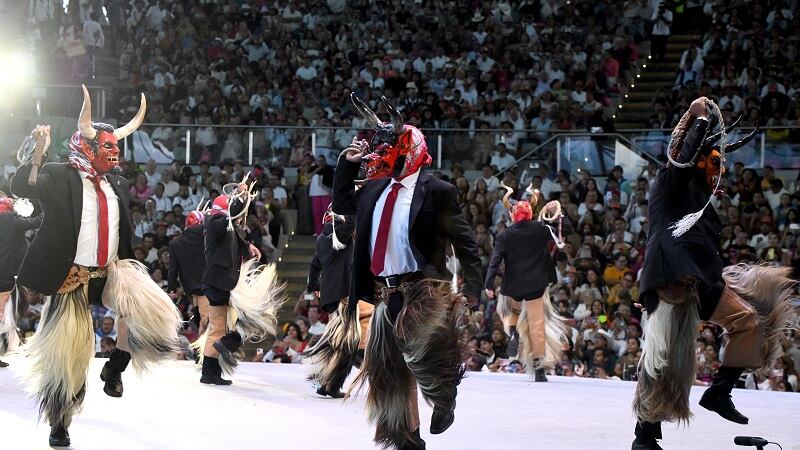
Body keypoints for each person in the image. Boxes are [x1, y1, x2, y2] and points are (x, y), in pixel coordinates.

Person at [11, 87, 182, 447]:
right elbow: (21, 187)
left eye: (115, 146)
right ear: (86, 148)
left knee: (151, 314)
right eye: (107, 146)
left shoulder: (116, 182)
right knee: (68, 355)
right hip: (70, 274)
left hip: (111, 270)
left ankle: (115, 366)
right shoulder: (60, 176)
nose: (115, 151)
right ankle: (61, 419)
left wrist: (126, 269)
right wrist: (39, 151)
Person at [631, 97, 796, 450]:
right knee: (662, 358)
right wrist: (700, 118)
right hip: (670, 279)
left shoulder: (698, 196)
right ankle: (644, 434)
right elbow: (682, 157)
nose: (716, 168)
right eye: (711, 160)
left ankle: (719, 392)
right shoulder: (671, 181)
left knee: (749, 319)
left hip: (701, 281)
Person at [333, 94, 482, 450]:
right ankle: (408, 439)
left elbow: (465, 241)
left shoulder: (438, 192)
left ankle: (445, 396)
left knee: (425, 361)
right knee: (390, 373)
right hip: (386, 292)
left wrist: (475, 287)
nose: (380, 155)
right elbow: (341, 205)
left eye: (390, 149)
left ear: (410, 152)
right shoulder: (374, 190)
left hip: (424, 290)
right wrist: (345, 166)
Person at [198, 175, 284, 385]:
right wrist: (242, 195)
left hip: (219, 282)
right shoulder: (215, 221)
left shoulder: (221, 224)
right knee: (246, 319)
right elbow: (231, 216)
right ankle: (228, 343)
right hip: (219, 282)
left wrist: (248, 246)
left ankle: (209, 373)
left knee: (217, 328)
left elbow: (235, 235)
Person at [485, 184, 570, 382]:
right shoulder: (540, 229)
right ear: (530, 213)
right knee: (536, 324)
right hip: (536, 284)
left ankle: (513, 333)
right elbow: (565, 229)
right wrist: (556, 212)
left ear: (513, 215)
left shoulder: (504, 234)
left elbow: (495, 261)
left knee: (509, 312)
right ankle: (539, 369)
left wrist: (488, 284)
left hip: (513, 284)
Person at [305, 207, 374, 398]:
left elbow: (314, 265)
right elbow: (351, 222)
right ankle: (331, 382)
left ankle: (329, 384)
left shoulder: (322, 238)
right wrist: (352, 200)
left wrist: (314, 286)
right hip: (343, 293)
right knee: (346, 342)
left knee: (343, 342)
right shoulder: (338, 234)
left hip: (333, 294)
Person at [0, 194, 42, 367]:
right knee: (6, 312)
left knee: (5, 312)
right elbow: (34, 223)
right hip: (8, 272)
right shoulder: (9, 218)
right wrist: (50, 209)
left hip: (5, 272)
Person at [168, 208, 209, 346]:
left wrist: (171, 288)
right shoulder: (205, 238)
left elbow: (173, 269)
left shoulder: (175, 243)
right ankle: (205, 354)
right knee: (205, 320)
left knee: (200, 317)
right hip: (208, 285)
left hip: (191, 288)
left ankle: (203, 352)